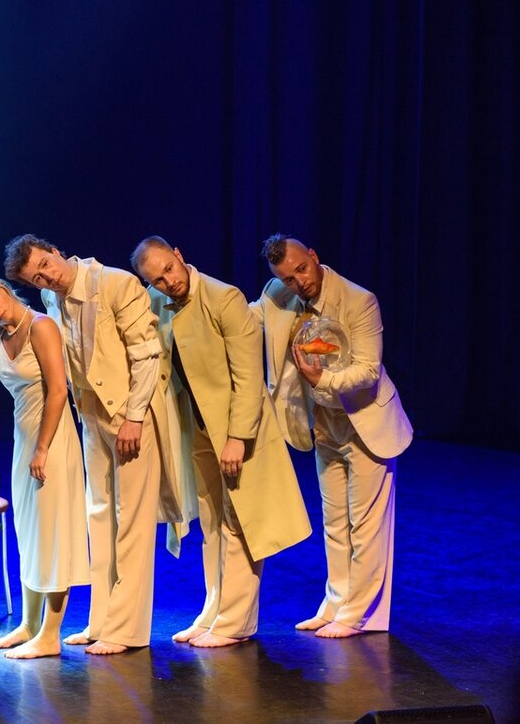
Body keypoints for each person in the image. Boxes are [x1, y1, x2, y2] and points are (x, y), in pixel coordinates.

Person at [5, 234, 181, 655]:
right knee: (99, 516)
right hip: (92, 417)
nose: (47, 277)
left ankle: (127, 629)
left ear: (56, 251)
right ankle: (101, 620)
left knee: (132, 521)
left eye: (45, 265)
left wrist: (135, 417)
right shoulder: (52, 300)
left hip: (130, 414)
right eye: (37, 278)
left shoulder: (116, 283)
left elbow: (146, 354)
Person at [131, 237, 312, 648]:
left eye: (169, 269)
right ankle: (214, 609)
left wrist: (237, 438)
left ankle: (236, 621)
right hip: (197, 427)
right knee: (212, 521)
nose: (168, 282)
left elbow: (248, 376)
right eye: (157, 280)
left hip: (236, 429)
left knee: (239, 522)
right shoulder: (157, 302)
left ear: (180, 255)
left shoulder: (223, 298)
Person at [252, 234, 413, 638]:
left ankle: (360, 613)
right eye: (288, 279)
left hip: (365, 422)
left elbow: (368, 370)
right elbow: (246, 321)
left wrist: (320, 379)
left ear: (313, 256)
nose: (299, 282)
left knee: (365, 524)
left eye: (302, 270)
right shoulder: (278, 294)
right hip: (325, 424)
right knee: (335, 522)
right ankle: (337, 602)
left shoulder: (359, 300)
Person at [0, 274, 90, 658]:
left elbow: (59, 391)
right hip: (24, 440)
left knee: (53, 534)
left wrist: (43, 449)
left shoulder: (41, 326)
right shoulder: (0, 337)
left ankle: (50, 633)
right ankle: (29, 624)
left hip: (52, 440)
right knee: (30, 533)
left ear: (3, 290)